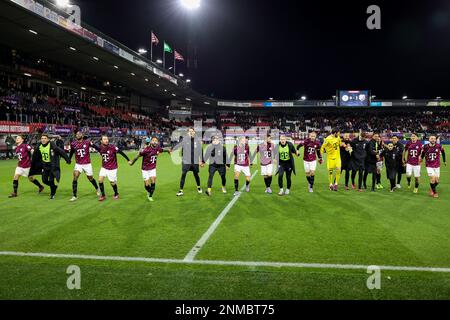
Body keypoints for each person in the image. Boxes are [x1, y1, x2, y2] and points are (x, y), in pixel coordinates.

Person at [29, 133, 71, 199]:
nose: (43, 140)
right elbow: (35, 155)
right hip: (45, 165)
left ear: (48, 139)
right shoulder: (39, 145)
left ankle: (52, 194)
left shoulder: (51, 145)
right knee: (44, 180)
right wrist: (32, 163)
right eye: (42, 138)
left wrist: (67, 159)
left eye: (45, 138)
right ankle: (54, 187)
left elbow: (61, 151)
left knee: (51, 180)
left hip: (52, 165)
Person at [129, 137, 169, 202]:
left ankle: (150, 196)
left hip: (152, 168)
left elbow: (162, 150)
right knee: (146, 185)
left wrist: (168, 151)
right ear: (150, 142)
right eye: (153, 140)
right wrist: (132, 162)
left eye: (156, 140)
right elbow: (138, 156)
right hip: (145, 169)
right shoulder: (146, 150)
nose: (155, 142)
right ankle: (150, 191)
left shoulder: (158, 148)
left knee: (153, 181)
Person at [95, 135, 130, 201]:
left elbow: (121, 152)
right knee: (100, 180)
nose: (106, 140)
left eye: (107, 139)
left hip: (112, 168)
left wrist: (128, 160)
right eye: (104, 139)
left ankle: (116, 193)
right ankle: (103, 195)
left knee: (112, 182)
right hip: (104, 167)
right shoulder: (100, 148)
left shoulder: (112, 147)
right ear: (101, 141)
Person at [68, 131, 100, 202]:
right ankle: (74, 196)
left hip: (87, 164)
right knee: (75, 177)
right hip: (78, 164)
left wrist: (101, 151)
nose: (78, 135)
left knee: (90, 178)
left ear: (82, 135)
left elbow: (95, 146)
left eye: (79, 134)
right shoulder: (73, 144)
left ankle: (97, 188)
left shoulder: (87, 142)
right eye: (76, 134)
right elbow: (71, 152)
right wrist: (69, 159)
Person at [172, 128, 204, 197]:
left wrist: (202, 161)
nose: (191, 132)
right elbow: (178, 145)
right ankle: (181, 191)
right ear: (187, 133)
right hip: (186, 161)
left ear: (194, 132)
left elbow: (200, 151)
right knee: (183, 174)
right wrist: (172, 149)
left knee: (196, 175)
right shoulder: (184, 140)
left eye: (192, 131)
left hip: (194, 161)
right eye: (190, 131)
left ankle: (199, 187)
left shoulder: (197, 141)